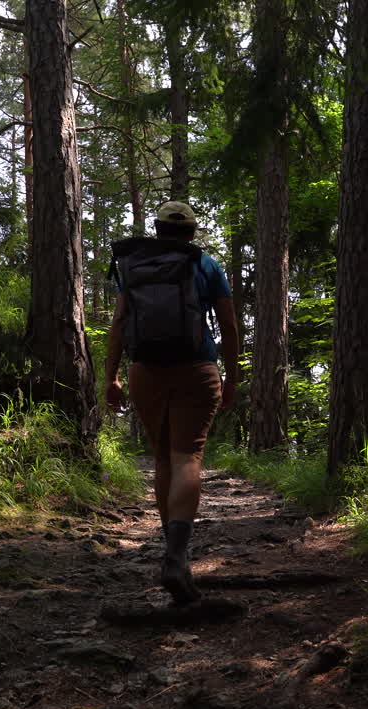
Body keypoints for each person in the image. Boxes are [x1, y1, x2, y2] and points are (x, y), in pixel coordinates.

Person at [104, 201, 240, 604]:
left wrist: (110, 376)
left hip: (145, 369)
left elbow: (118, 323)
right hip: (197, 367)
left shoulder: (134, 267)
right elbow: (229, 326)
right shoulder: (207, 265)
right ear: (191, 232)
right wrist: (231, 378)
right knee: (188, 457)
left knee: (164, 458)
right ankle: (177, 558)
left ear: (157, 230)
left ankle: (172, 553)